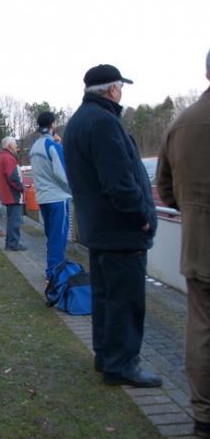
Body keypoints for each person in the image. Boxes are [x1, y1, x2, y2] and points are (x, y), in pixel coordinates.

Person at [63, 64, 161, 388]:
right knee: (126, 302)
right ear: (113, 89)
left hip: (99, 231)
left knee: (105, 299)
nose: (122, 93)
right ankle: (121, 366)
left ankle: (105, 356)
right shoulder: (105, 123)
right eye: (121, 87)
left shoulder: (78, 121)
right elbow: (119, 184)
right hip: (121, 232)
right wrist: (143, 217)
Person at [156, 49, 210, 438]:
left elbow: (165, 189)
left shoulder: (182, 124)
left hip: (199, 245)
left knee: (201, 329)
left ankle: (203, 415)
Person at [29, 111, 72, 280]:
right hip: (58, 198)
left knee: (51, 236)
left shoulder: (34, 148)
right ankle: (54, 274)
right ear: (53, 125)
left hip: (43, 198)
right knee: (58, 237)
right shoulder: (53, 147)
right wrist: (73, 191)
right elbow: (63, 174)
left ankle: (54, 269)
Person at [0, 136, 27, 251]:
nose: (16, 146)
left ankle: (9, 243)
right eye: (15, 144)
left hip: (7, 193)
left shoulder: (2, 156)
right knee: (15, 220)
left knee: (11, 220)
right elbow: (12, 177)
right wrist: (21, 188)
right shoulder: (9, 158)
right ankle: (14, 243)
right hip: (13, 194)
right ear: (10, 145)